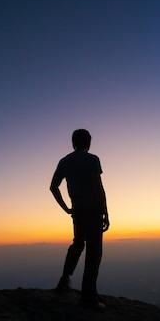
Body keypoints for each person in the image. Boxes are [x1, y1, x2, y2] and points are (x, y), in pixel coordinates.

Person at [50, 129, 110, 310]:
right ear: (88, 142)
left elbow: (53, 187)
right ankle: (88, 297)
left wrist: (66, 208)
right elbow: (98, 187)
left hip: (77, 210)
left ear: (73, 142)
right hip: (92, 210)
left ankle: (64, 280)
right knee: (94, 252)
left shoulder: (64, 161)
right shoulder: (92, 160)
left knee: (78, 244)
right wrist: (105, 211)